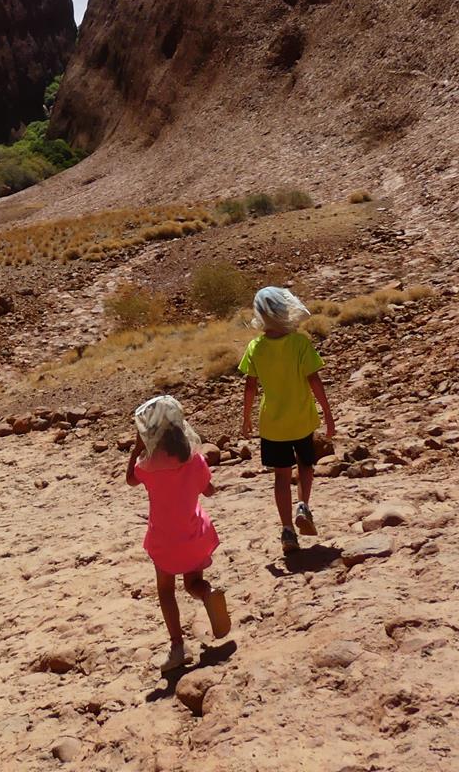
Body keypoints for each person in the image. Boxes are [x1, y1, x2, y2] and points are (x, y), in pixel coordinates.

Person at [126, 394, 231, 676]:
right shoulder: (193, 459)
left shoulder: (148, 466)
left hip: (165, 540)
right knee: (193, 582)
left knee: (165, 590)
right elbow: (209, 490)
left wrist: (136, 450)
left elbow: (130, 480)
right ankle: (207, 593)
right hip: (195, 534)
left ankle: (177, 646)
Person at [239, 286, 335, 552]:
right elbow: (314, 380)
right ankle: (303, 506)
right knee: (306, 465)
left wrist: (246, 418)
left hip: (272, 424)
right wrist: (327, 414)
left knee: (281, 477)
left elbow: (250, 387)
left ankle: (287, 531)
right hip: (301, 418)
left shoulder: (255, 347)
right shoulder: (299, 343)